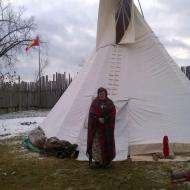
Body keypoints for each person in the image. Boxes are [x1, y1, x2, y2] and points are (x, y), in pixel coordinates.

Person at [86, 87, 116, 168]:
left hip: (106, 130)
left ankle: (106, 162)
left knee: (107, 145)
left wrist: (105, 119)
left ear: (106, 94)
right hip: (97, 129)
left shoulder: (110, 103)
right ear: (98, 94)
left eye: (103, 94)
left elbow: (112, 114)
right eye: (100, 94)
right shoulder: (95, 103)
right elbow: (92, 113)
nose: (101, 95)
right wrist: (98, 118)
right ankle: (98, 161)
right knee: (97, 145)